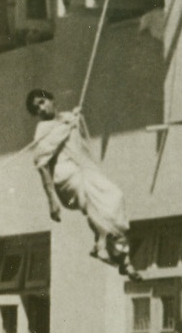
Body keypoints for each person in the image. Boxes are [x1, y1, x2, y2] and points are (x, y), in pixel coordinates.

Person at [26, 88, 140, 280]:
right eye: (36, 108)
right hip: (67, 178)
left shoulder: (70, 118)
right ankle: (108, 249)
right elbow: (42, 166)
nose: (41, 109)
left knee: (114, 198)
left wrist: (71, 120)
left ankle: (114, 253)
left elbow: (76, 139)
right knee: (94, 203)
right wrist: (51, 201)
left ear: (52, 100)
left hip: (84, 171)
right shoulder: (43, 130)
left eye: (42, 102)